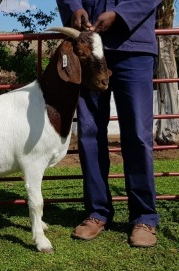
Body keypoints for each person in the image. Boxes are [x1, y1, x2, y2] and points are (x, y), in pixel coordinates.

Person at [56, 0, 161, 247]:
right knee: (89, 133)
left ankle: (144, 216)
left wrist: (119, 14)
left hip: (134, 47)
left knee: (137, 133)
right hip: (89, 46)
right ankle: (97, 212)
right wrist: (74, 10)